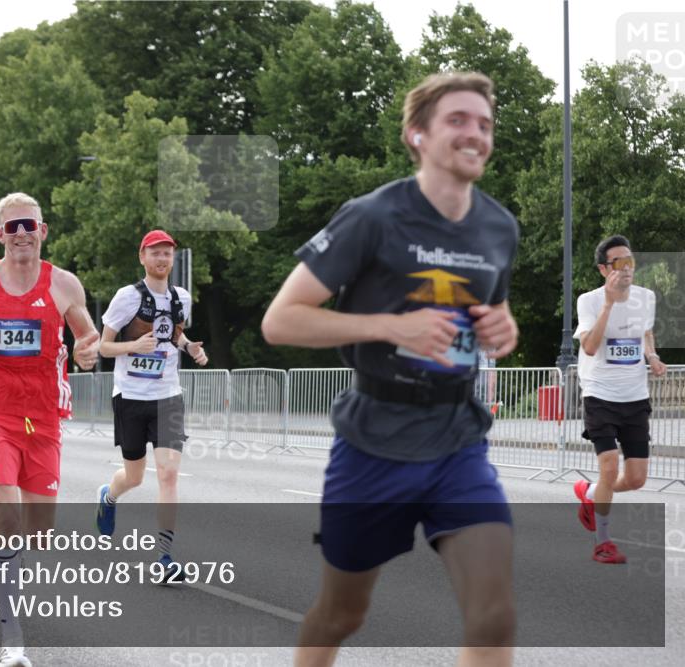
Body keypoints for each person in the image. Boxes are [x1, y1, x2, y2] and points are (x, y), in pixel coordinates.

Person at [261, 72, 519, 667]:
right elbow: (281, 320)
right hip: (372, 443)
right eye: (457, 120)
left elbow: (495, 313)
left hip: (457, 440)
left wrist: (504, 331)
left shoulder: (498, 227)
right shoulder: (372, 216)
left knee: (494, 616)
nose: (475, 133)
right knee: (342, 615)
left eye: (484, 124)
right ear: (417, 135)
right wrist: (388, 326)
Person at [0, 192, 99, 667]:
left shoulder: (65, 285)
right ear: (0, 235)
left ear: (44, 230)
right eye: (13, 227)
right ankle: (13, 638)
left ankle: (11, 570)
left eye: (30, 224)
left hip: (43, 415)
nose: (22, 233)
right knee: (5, 512)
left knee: (39, 534)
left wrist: (88, 352)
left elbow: (87, 337)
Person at [93, 229, 208, 581]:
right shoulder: (127, 297)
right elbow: (103, 347)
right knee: (134, 477)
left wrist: (189, 347)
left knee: (168, 473)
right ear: (142, 257)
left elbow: (174, 334)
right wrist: (132, 348)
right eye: (155, 253)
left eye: (168, 253)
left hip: (168, 395)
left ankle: (165, 558)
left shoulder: (181, 297)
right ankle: (109, 496)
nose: (162, 259)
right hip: (130, 397)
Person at [572, 235, 666, 564]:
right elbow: (589, 347)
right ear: (603, 269)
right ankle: (603, 542)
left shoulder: (646, 297)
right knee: (609, 467)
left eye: (630, 262)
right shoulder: (589, 301)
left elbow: (645, 332)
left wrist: (652, 356)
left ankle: (591, 494)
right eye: (618, 264)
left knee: (637, 478)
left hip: (635, 396)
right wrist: (610, 303)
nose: (627, 270)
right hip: (599, 394)